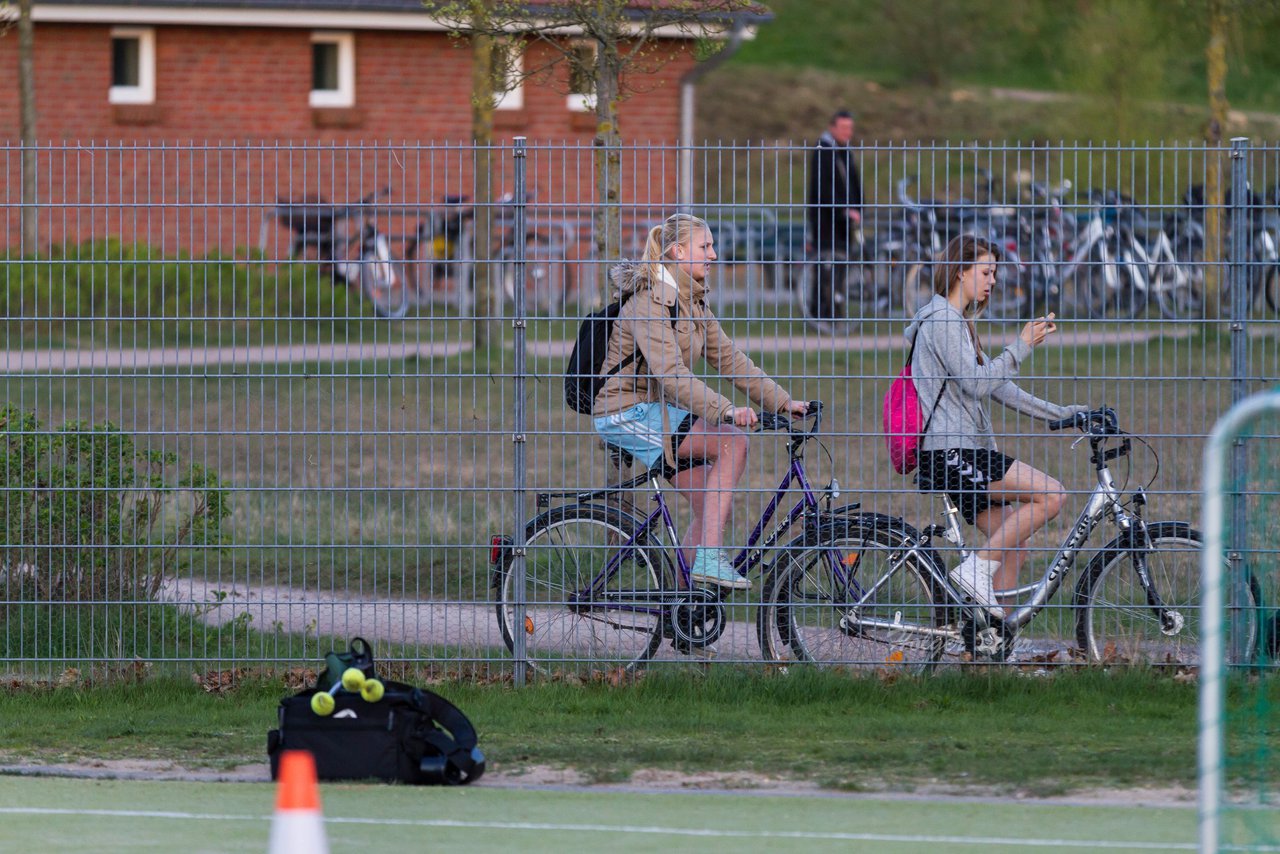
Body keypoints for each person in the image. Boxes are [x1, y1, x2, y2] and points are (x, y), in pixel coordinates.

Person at [592, 213, 810, 590]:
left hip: (655, 414)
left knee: (708, 505)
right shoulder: (650, 301)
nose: (712, 255)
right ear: (678, 251)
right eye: (704, 247)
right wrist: (725, 410)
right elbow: (671, 373)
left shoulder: (692, 302)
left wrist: (782, 401)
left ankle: (683, 610)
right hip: (624, 412)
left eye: (711, 246)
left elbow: (729, 358)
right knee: (732, 440)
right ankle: (709, 559)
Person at [905, 235, 1086, 618]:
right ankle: (973, 572)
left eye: (995, 274)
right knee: (1052, 495)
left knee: (1015, 546)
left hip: (963, 453)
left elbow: (1000, 386)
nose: (993, 281)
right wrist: (1020, 347)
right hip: (951, 452)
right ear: (960, 272)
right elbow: (977, 382)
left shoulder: (959, 323)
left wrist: (1065, 414)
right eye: (986, 272)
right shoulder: (942, 321)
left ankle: (993, 642)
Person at [806, 109, 863, 258]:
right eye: (843, 128)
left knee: (844, 261)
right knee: (826, 264)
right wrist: (842, 209)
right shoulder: (823, 150)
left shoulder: (846, 151)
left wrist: (859, 207)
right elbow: (822, 187)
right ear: (832, 128)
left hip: (846, 221)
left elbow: (854, 183)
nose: (848, 132)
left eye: (850, 128)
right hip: (827, 221)